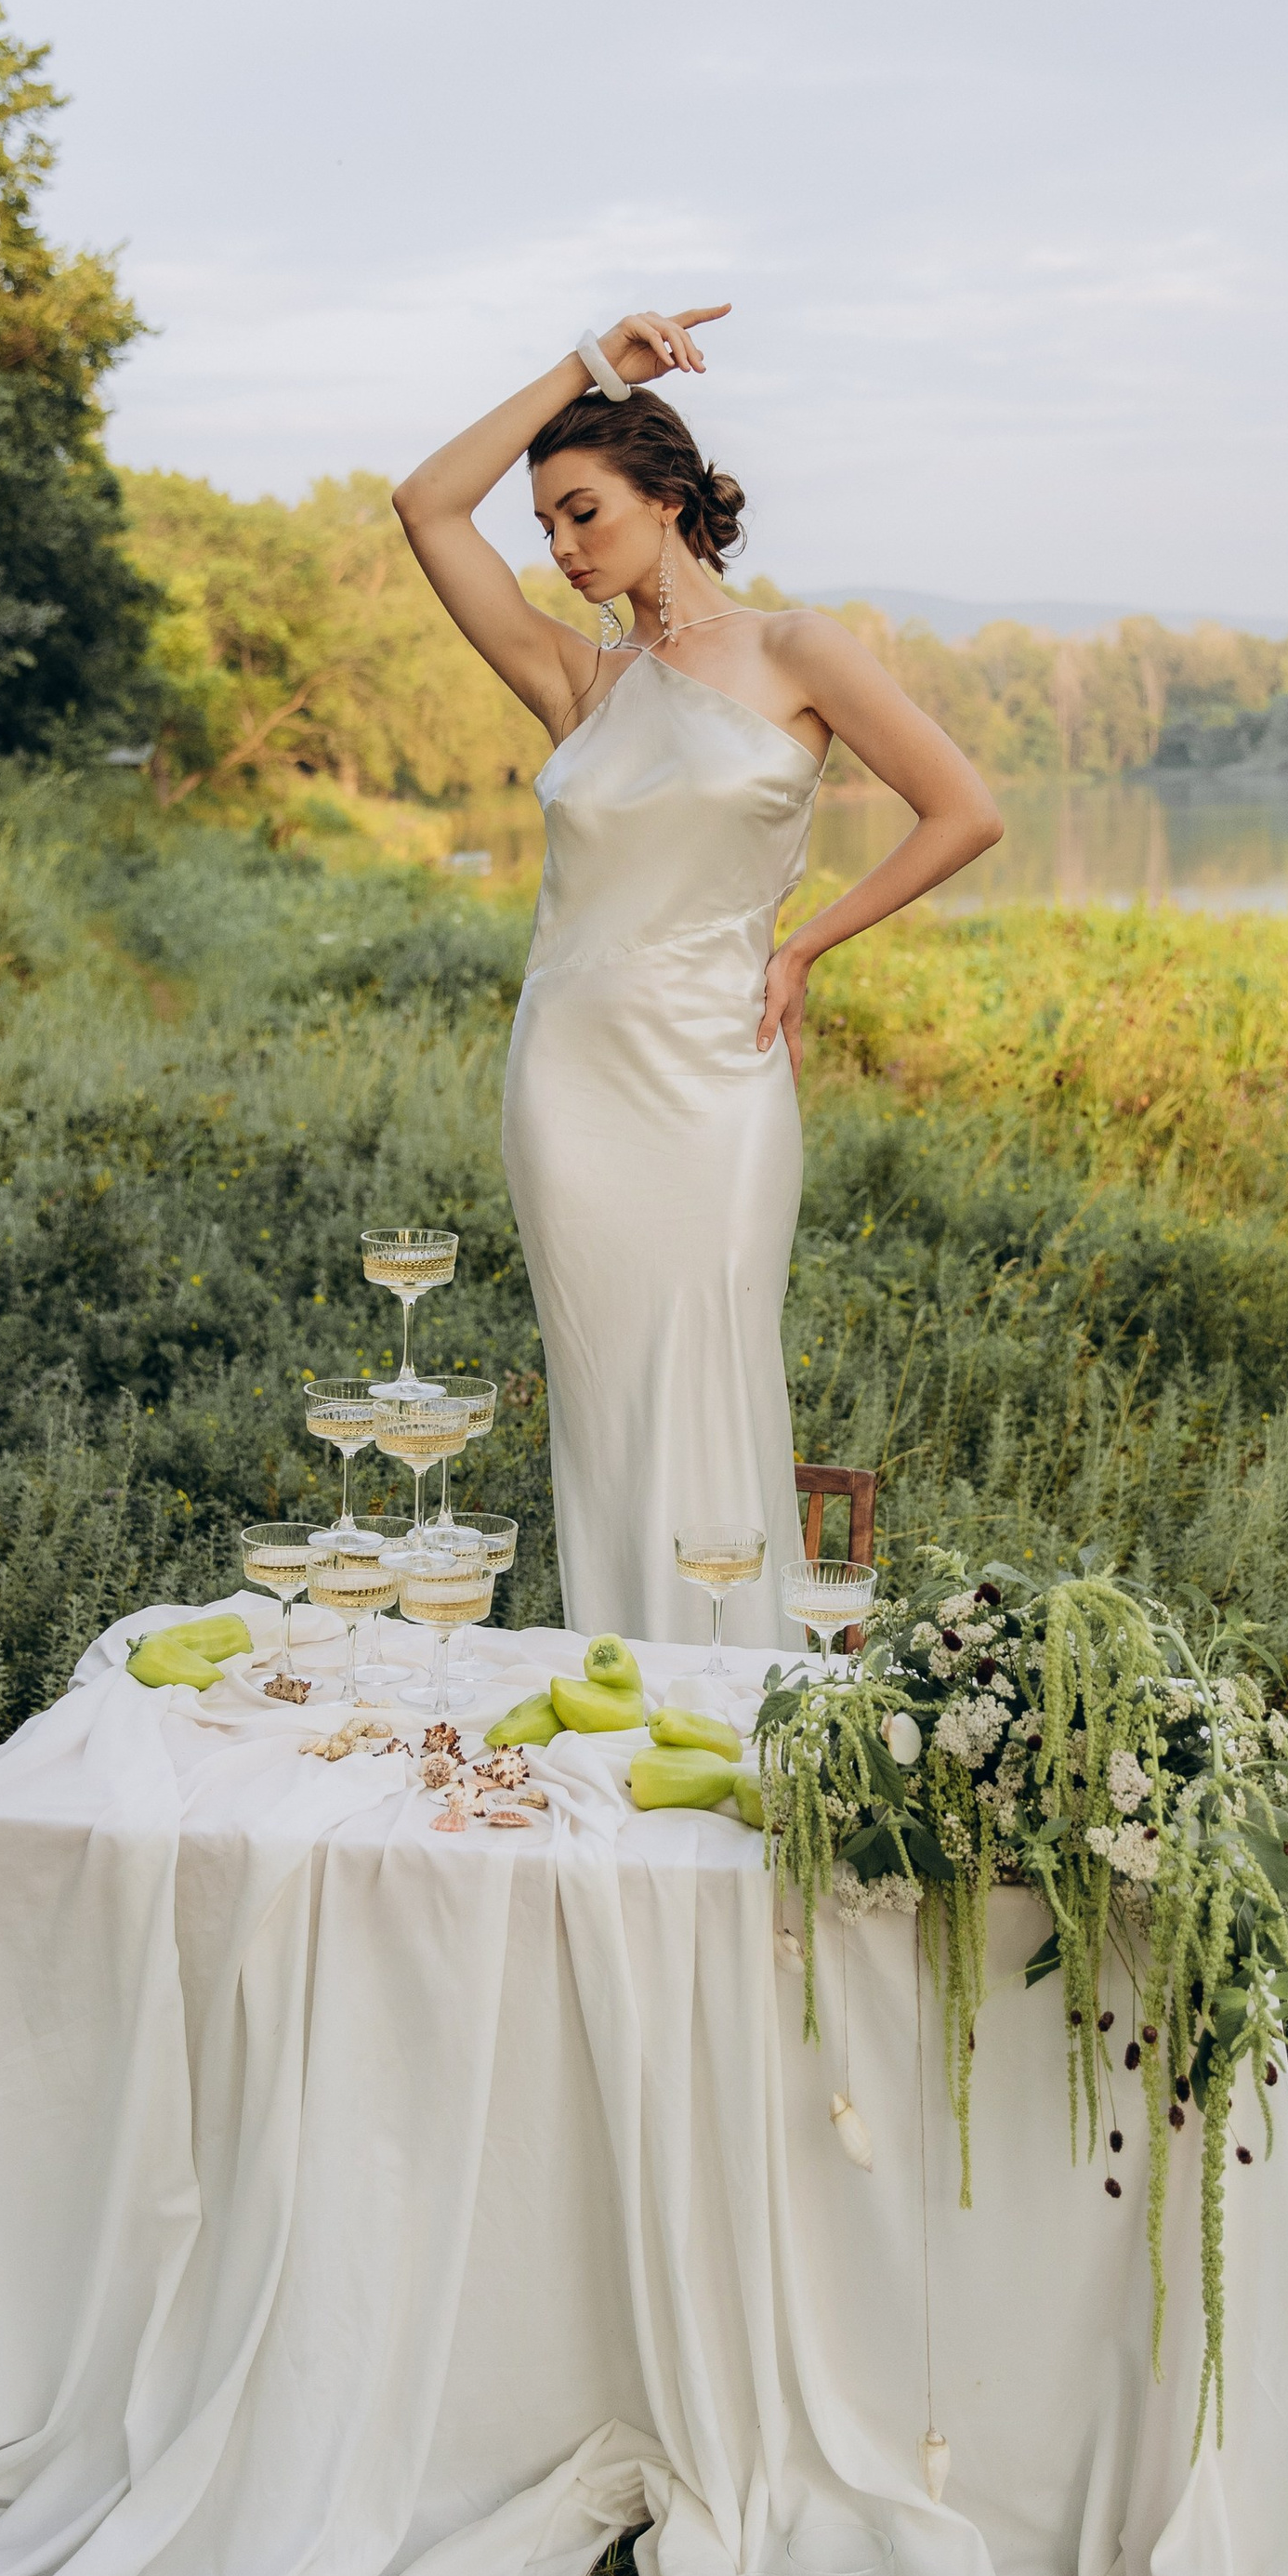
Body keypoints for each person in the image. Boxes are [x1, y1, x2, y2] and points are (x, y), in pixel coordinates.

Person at [395, 305, 1000, 1645]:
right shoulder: (579, 680)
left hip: (719, 1073)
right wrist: (587, 367)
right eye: (545, 525)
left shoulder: (798, 651)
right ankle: (628, 1691)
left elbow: (964, 812)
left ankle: (736, 1699)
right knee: (607, 1403)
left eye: (584, 513)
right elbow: (426, 505)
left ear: (667, 500)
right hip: (571, 1079)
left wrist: (804, 945)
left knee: (715, 1366)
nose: (560, 548)